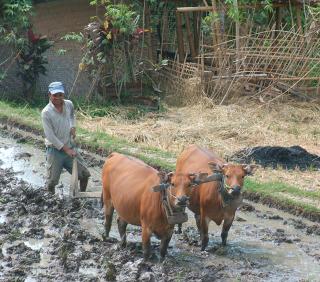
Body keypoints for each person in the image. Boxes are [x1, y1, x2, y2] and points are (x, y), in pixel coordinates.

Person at [41, 81, 90, 194]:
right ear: (49, 95)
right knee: (52, 181)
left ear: (63, 94)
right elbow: (50, 136)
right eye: (55, 95)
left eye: (60, 95)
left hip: (70, 146)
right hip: (55, 151)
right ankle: (51, 201)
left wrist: (73, 126)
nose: (58, 98)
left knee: (84, 174)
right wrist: (66, 149)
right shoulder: (46, 113)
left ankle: (81, 197)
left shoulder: (69, 104)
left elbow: (72, 115)